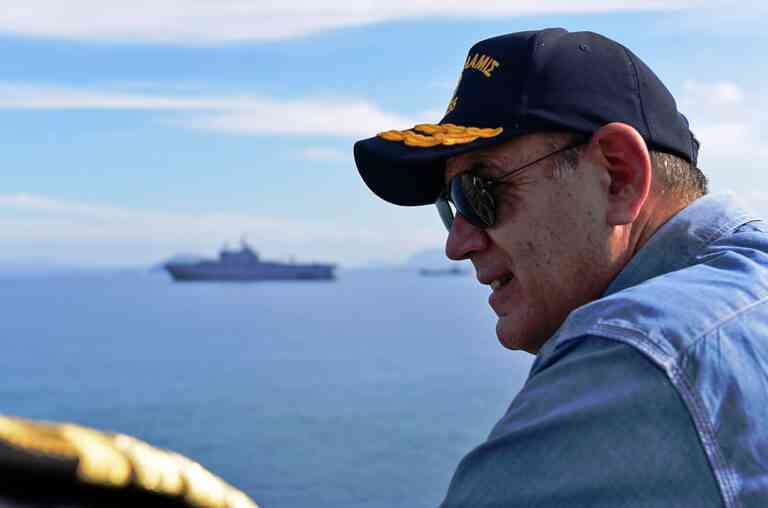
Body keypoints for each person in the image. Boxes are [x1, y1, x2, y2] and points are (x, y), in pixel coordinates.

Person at [353, 28, 768, 507]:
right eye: (450, 205)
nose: (457, 244)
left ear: (618, 177)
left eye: (478, 192)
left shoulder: (638, 358)